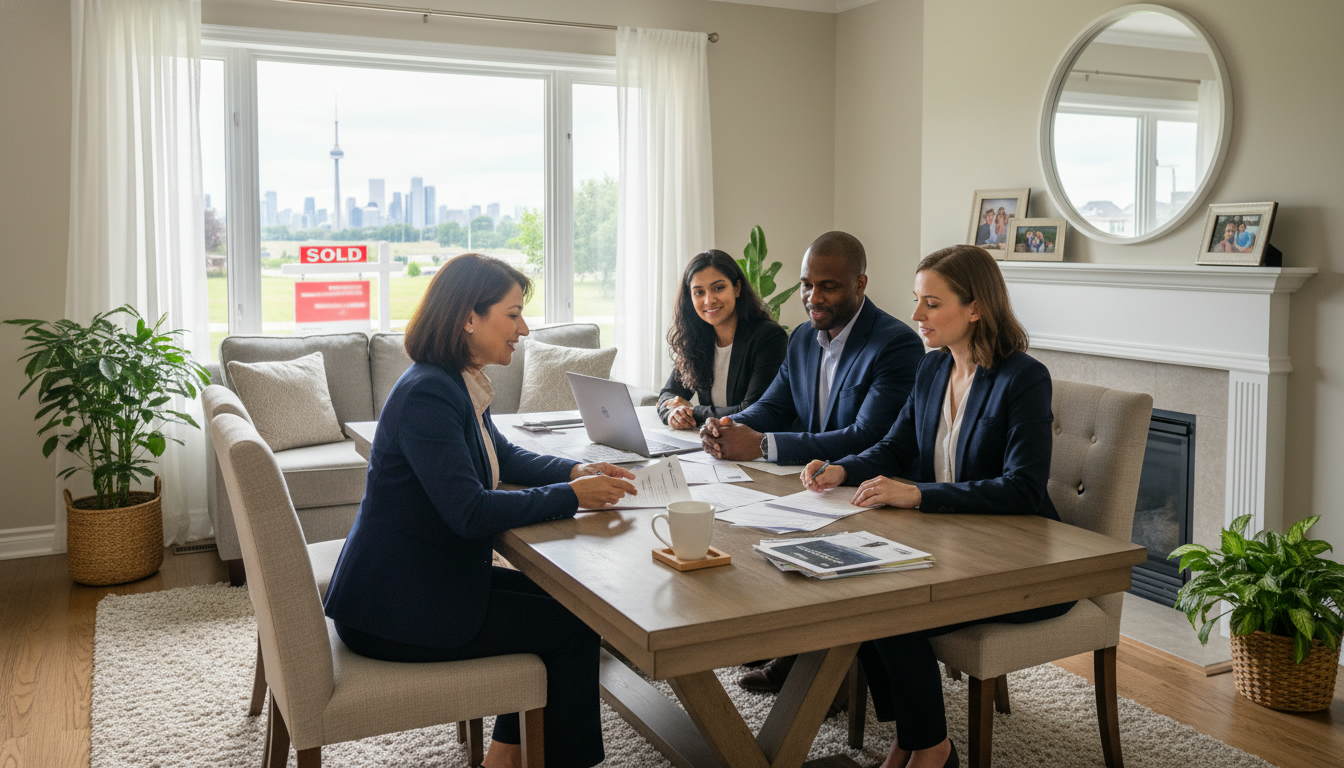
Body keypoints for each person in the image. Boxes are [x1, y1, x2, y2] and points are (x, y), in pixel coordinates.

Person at [323, 253, 638, 768]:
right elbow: (468, 512)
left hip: (421, 579)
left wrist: (574, 472)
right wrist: (572, 499)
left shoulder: (453, 380)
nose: (525, 328)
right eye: (513, 314)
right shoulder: (430, 392)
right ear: (469, 317)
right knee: (574, 628)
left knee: (571, 605)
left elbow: (503, 456)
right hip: (396, 607)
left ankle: (504, 758)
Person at [801, 244, 1072, 768]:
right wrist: (841, 468)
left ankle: (929, 747)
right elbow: (895, 447)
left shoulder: (1023, 378)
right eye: (916, 301)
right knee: (855, 591)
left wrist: (920, 494)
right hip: (953, 546)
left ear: (975, 308)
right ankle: (919, 740)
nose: (916, 315)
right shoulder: (931, 370)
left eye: (931, 303)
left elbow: (1024, 488)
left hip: (1028, 563)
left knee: (889, 606)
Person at [699, 231, 925, 467]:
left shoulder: (896, 344)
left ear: (860, 284)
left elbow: (868, 436)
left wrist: (763, 445)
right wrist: (723, 425)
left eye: (828, 287)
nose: (813, 298)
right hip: (811, 483)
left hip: (866, 486)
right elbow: (773, 407)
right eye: (806, 285)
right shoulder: (802, 337)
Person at [658, 249, 788, 429]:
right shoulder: (698, 338)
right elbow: (669, 394)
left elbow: (753, 409)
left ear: (737, 288)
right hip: (711, 444)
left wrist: (693, 411)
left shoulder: (768, 337)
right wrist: (673, 413)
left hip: (754, 447)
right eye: (699, 292)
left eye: (718, 288)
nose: (709, 300)